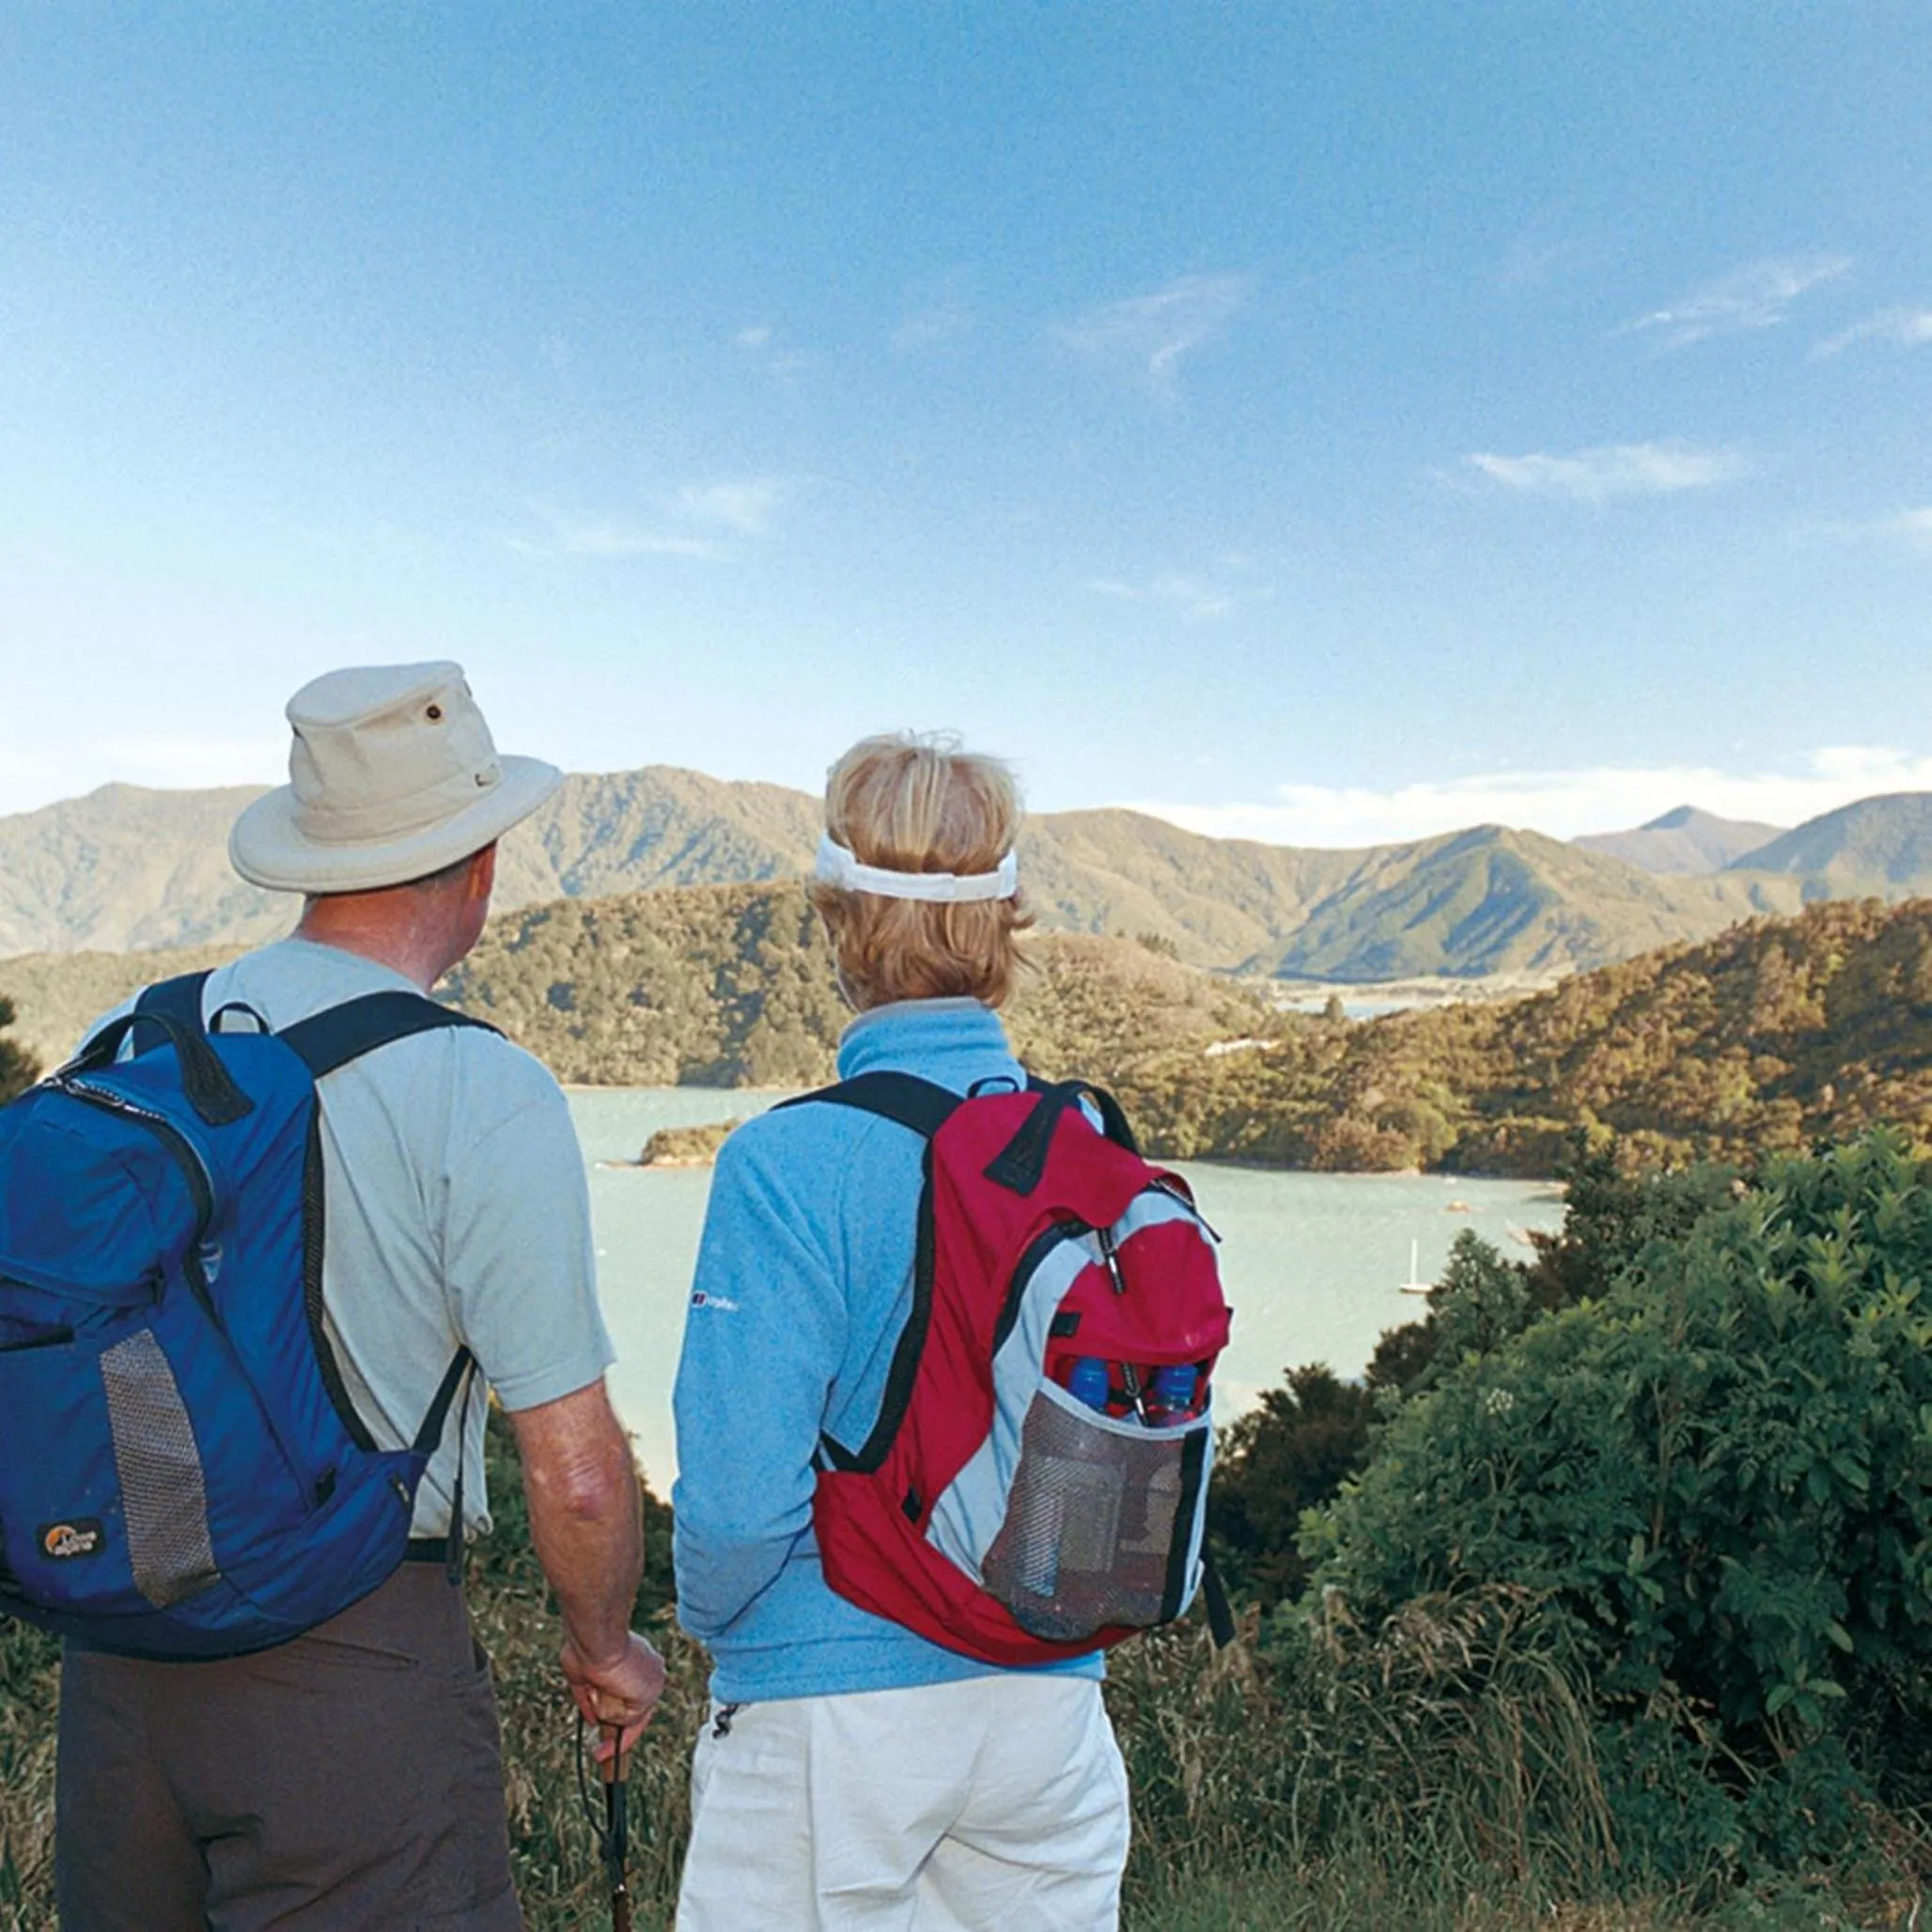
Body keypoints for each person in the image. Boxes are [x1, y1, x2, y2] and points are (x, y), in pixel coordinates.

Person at [55, 662, 665, 1932]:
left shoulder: (127, 1036)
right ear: (480, 864)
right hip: (353, 1664)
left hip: (118, 1663)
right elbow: (575, 1474)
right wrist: (605, 1648)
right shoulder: (478, 1085)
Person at [671, 732, 1131, 1931]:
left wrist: (719, 1629)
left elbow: (735, 1509)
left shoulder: (786, 1160)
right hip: (1047, 1709)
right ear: (1006, 920)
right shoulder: (1086, 1149)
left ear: (839, 921)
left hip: (830, 1710)